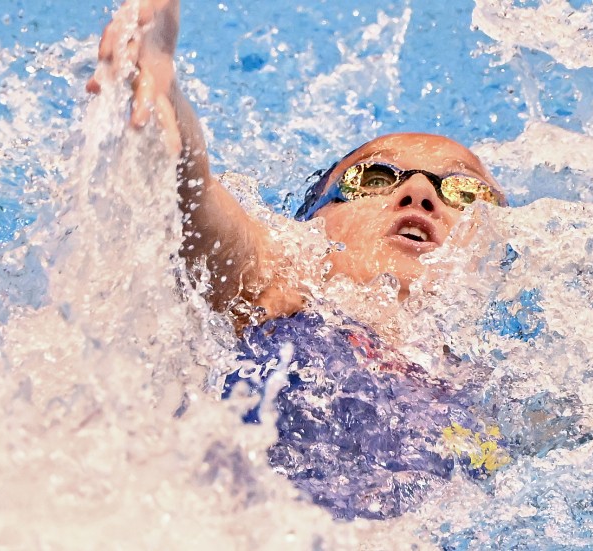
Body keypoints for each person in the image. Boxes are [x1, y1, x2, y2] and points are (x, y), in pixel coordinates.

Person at [88, 0, 512, 519]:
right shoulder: (284, 288)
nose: (421, 192)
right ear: (311, 224)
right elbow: (195, 199)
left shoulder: (498, 394)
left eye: (465, 192)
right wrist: (163, 89)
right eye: (374, 178)